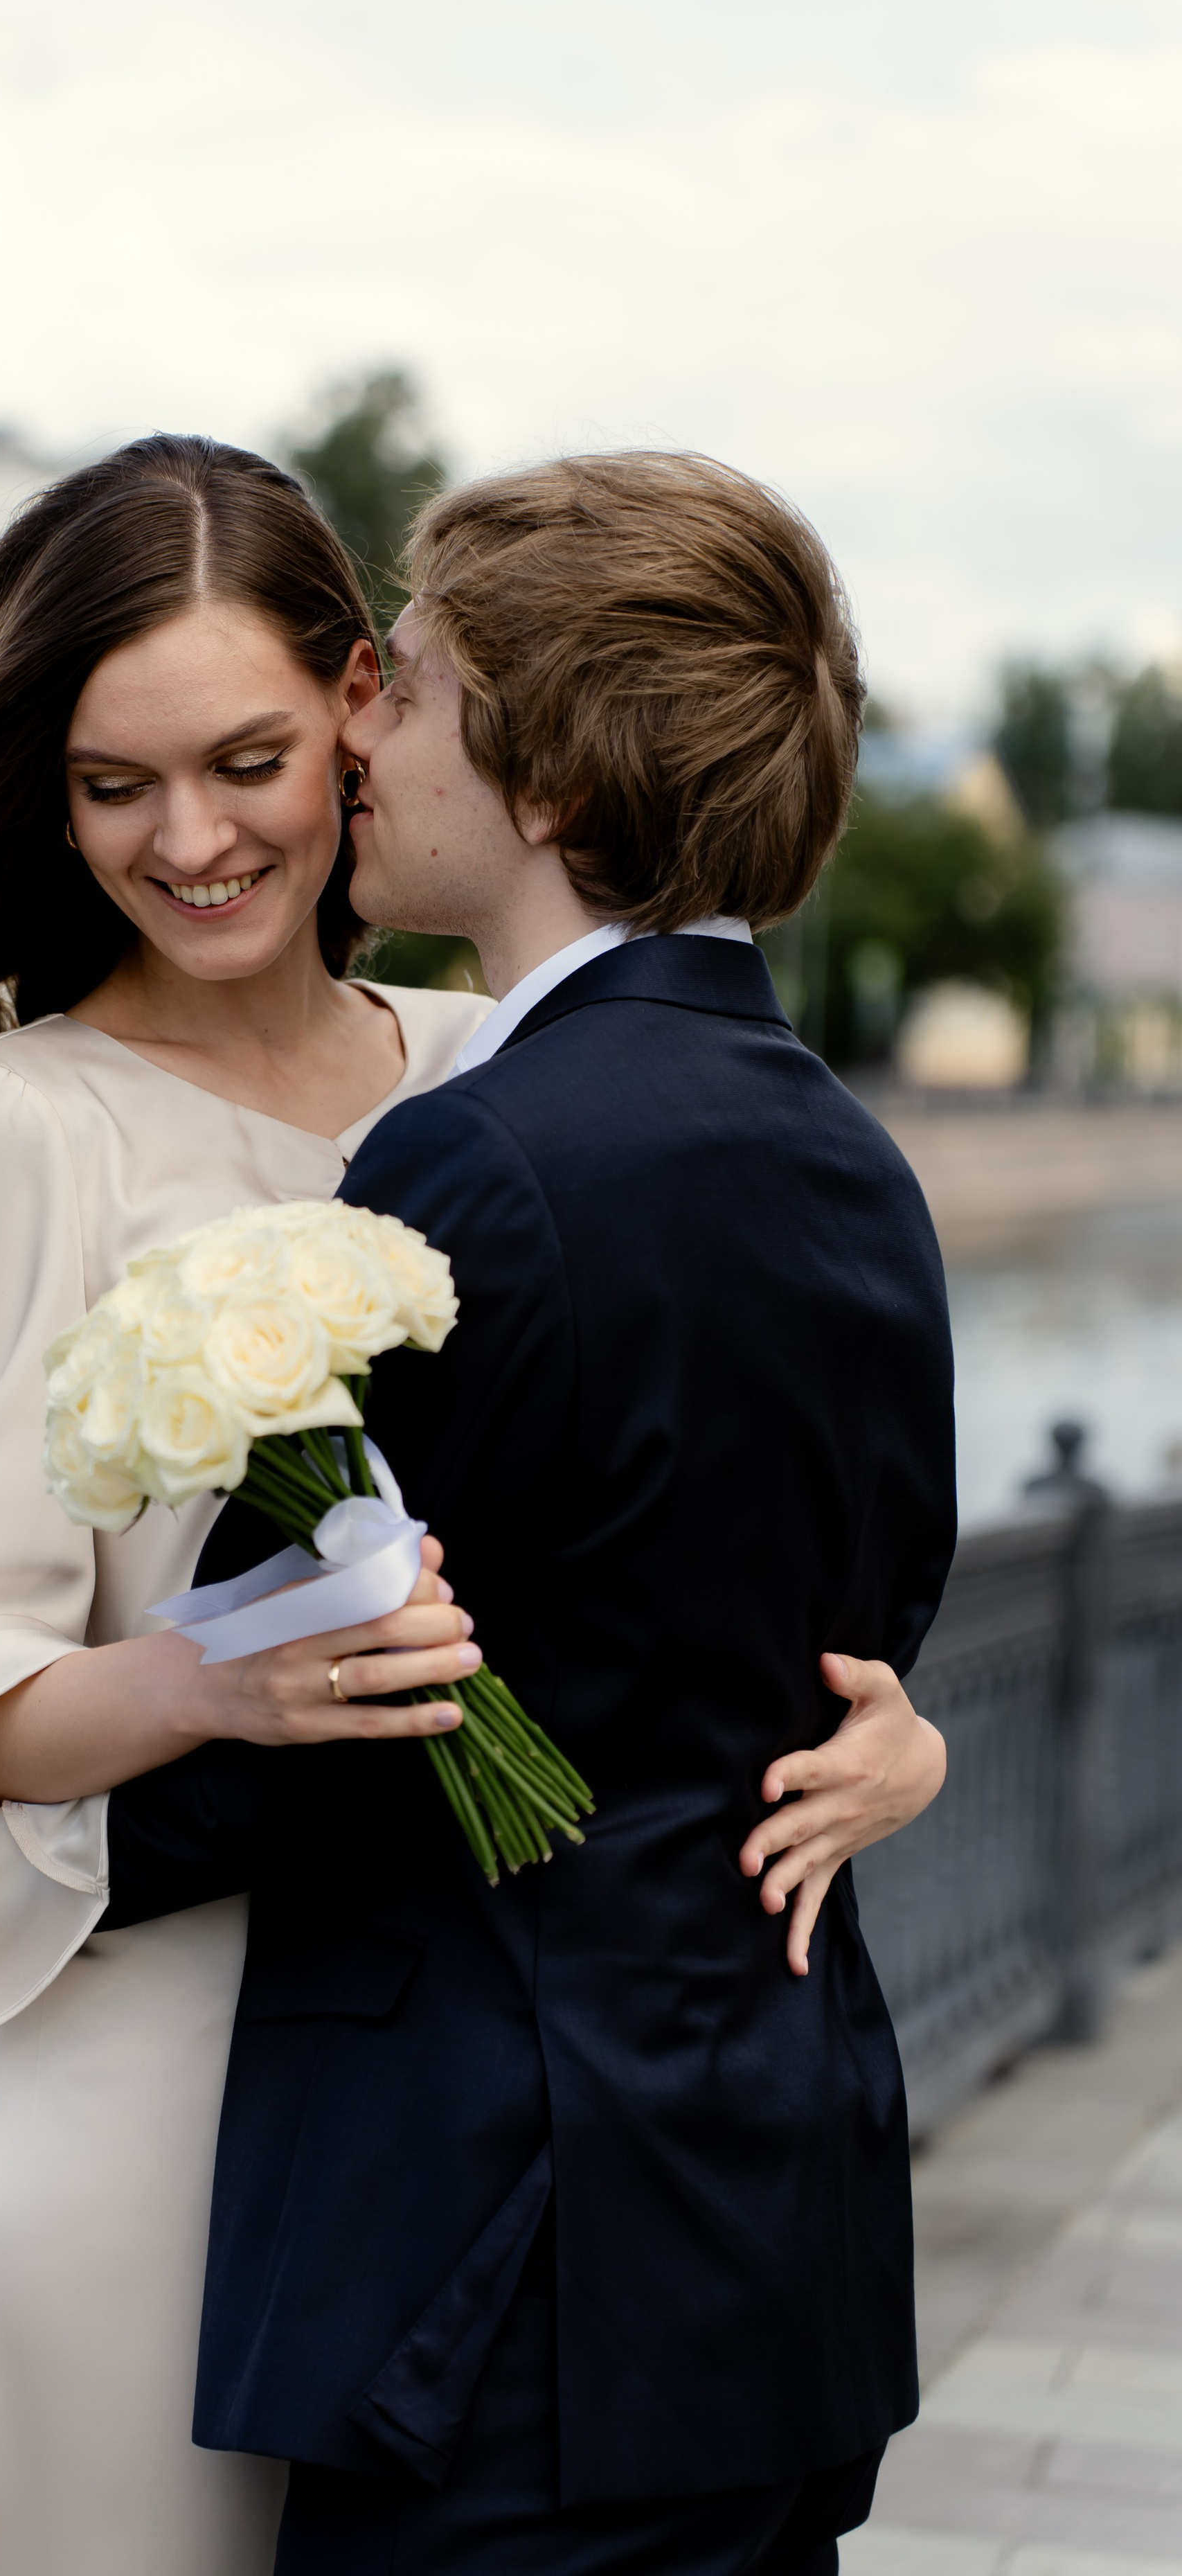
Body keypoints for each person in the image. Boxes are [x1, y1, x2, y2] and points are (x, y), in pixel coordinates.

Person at [0, 437, 942, 2576]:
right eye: (111, 786)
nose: (192, 839)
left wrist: (885, 1726)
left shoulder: (496, 1073)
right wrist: (202, 1681)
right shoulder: (23, 1124)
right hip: (168, 2092)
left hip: (483, 2123)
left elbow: (691, 1539)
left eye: (254, 756)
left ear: (368, 708)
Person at [83, 453, 960, 2573]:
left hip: (507, 2278)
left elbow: (309, 1697)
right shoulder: (859, 1169)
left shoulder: (484, 1169)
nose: (369, 728)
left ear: (553, 774)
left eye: (427, 688)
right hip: (774, 2233)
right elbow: (840, 1647)